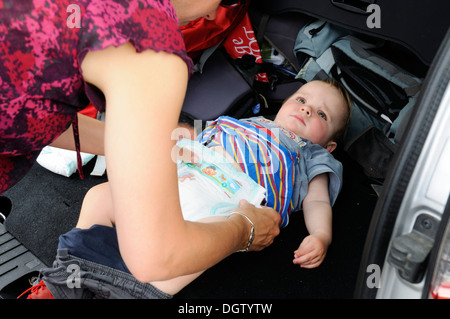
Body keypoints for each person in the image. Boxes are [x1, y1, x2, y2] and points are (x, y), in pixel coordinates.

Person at [2, 0, 281, 297]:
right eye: (225, 0)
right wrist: (245, 230)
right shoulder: (149, 50)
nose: (214, 14)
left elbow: (34, 112)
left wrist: (143, 140)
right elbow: (157, 257)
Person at [23, 79, 351, 298]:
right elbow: (193, 135)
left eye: (321, 113)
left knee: (196, 253)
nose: (306, 108)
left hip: (231, 208)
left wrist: (320, 235)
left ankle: (136, 290)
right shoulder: (243, 123)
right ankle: (66, 278)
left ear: (331, 146)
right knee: (101, 196)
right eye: (302, 99)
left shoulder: (311, 157)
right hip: (187, 180)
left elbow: (318, 200)